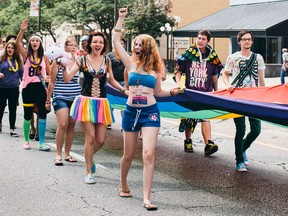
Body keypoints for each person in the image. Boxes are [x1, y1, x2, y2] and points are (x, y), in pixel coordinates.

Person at [113, 7, 182, 211]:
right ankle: (123, 183)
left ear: (148, 47)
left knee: (149, 154)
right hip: (131, 112)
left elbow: (158, 93)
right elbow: (116, 41)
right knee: (128, 155)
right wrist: (121, 18)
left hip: (150, 112)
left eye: (139, 44)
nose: (135, 47)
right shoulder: (130, 64)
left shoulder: (156, 69)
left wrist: (173, 93)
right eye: (134, 44)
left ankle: (146, 197)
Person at [61, 31, 127, 184]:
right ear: (90, 44)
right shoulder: (82, 60)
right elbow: (68, 78)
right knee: (90, 138)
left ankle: (89, 157)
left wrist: (123, 90)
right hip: (86, 103)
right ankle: (88, 171)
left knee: (101, 140)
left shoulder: (107, 61)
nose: (98, 45)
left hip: (102, 103)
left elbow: (111, 81)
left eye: (101, 43)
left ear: (104, 45)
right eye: (95, 42)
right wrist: (63, 68)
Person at [221, 30, 265, 172]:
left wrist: (266, 97)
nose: (247, 41)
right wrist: (228, 85)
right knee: (240, 130)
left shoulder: (258, 58)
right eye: (244, 39)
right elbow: (225, 74)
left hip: (254, 98)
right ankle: (239, 160)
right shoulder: (233, 58)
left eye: (249, 39)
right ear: (239, 42)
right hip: (238, 97)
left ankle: (242, 148)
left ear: (252, 41)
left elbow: (261, 79)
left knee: (256, 130)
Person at [174, 30, 222, 155]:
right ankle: (188, 141)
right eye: (199, 38)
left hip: (206, 93)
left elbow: (214, 76)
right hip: (190, 92)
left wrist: (217, 93)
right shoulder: (189, 53)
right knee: (189, 118)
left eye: (203, 39)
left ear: (208, 41)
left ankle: (208, 144)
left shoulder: (212, 56)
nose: (200, 41)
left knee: (205, 117)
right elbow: (178, 70)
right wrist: (179, 84)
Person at [16, 19, 51, 151]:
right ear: (30, 43)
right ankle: (26, 141)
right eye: (32, 40)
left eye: (37, 40)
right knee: (27, 114)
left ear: (40, 43)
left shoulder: (44, 58)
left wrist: (48, 76)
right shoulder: (26, 55)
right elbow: (18, 43)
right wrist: (22, 30)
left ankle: (41, 142)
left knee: (42, 114)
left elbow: (49, 73)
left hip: (40, 88)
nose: (34, 42)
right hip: (28, 88)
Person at [46, 36, 81, 166]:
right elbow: (52, 81)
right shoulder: (58, 62)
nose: (73, 47)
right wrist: (48, 99)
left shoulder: (78, 61)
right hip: (60, 96)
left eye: (75, 45)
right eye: (70, 45)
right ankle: (58, 154)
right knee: (62, 124)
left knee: (71, 126)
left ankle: (67, 154)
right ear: (65, 47)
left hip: (76, 98)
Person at [0, 39, 23, 136]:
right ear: (6, 49)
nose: (10, 49)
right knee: (1, 107)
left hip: (14, 88)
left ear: (15, 50)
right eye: (8, 48)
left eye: (12, 48)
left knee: (13, 109)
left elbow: (22, 75)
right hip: (2, 87)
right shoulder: (2, 60)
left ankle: (12, 129)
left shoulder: (18, 61)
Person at [107, 37, 128, 129]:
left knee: (125, 103)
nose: (120, 45)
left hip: (124, 82)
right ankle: (108, 121)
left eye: (122, 43)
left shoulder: (128, 55)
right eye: (118, 43)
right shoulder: (109, 55)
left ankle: (125, 124)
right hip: (112, 83)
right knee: (110, 102)